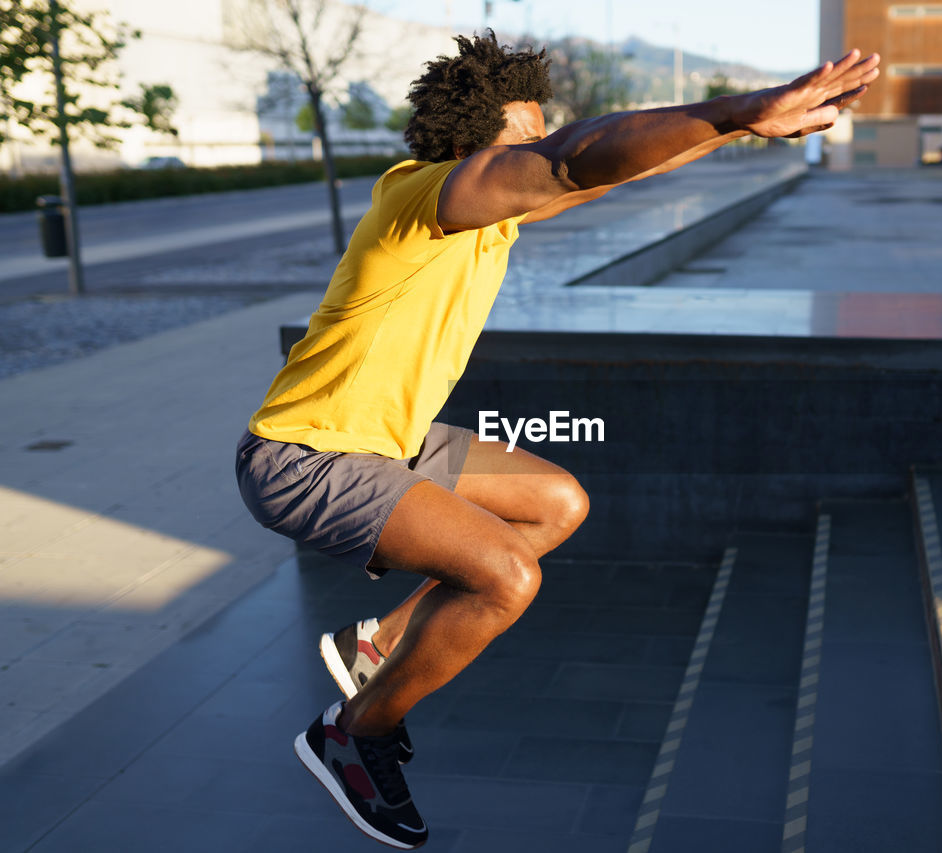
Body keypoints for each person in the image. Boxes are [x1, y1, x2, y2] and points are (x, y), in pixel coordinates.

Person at [234, 31, 879, 849]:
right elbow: (573, 158)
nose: (539, 149)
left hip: (384, 440)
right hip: (305, 457)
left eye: (543, 132)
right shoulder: (419, 200)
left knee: (554, 503)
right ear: (471, 151)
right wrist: (736, 104)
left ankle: (380, 642)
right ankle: (351, 733)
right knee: (506, 577)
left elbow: (607, 168)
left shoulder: (485, 219)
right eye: (522, 140)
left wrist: (740, 130)